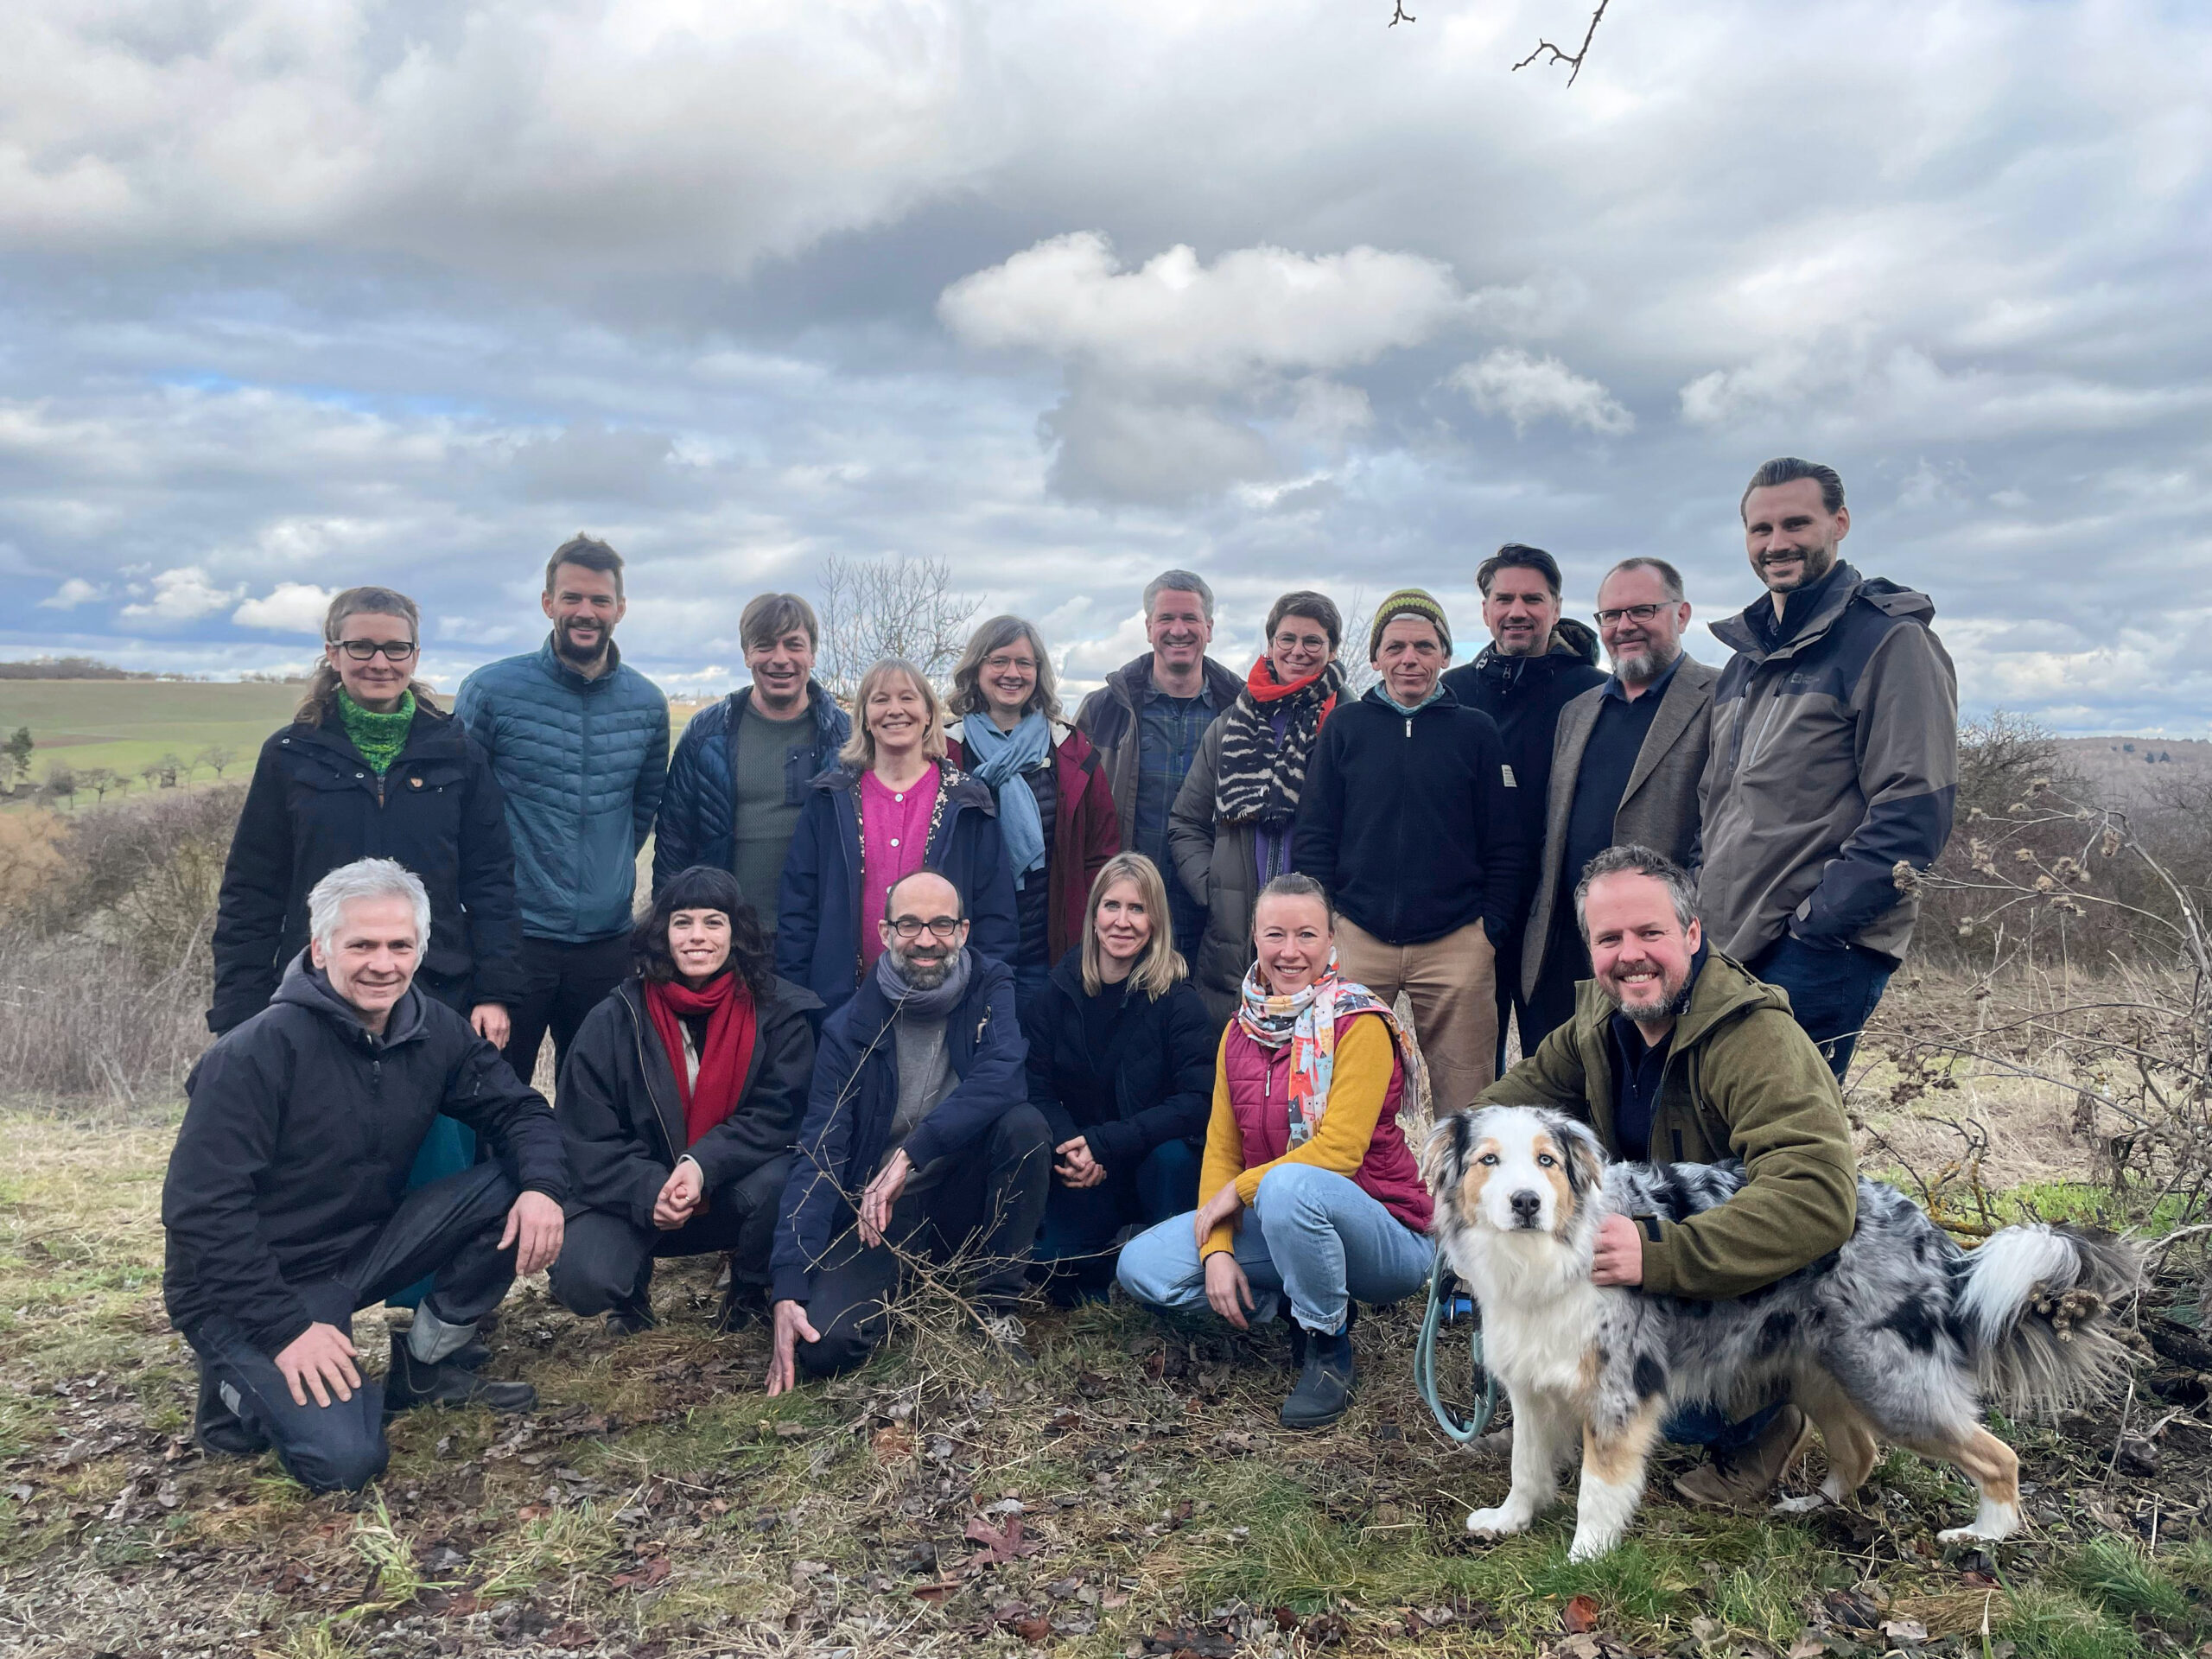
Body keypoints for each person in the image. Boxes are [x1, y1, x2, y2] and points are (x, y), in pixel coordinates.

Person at [164, 859, 567, 1493]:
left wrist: (544, 1189)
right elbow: (200, 1211)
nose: (383, 963)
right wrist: (287, 1330)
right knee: (345, 1463)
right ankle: (235, 1396)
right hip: (251, 1283)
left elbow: (520, 1110)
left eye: (399, 945)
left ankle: (428, 1363)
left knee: (515, 1182)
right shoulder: (253, 1053)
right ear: (321, 949)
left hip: (357, 1252)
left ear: (421, 949)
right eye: (362, 945)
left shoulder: (433, 1029)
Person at [1476, 843, 1858, 1507]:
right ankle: (1554, 1441)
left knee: (1663, 1410)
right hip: (1633, 1279)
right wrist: (1468, 1175)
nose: (1631, 955)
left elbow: (1819, 1196)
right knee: (1525, 1339)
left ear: (1691, 933)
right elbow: (1504, 1109)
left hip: (1733, 1297)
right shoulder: (1598, 1020)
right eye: (1609, 938)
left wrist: (1658, 1254)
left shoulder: (1756, 1039)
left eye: (1650, 933)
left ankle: (1768, 1403)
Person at [211, 587, 522, 1281]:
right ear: (332, 652)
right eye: (361, 646)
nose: (379, 661)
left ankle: (430, 1338)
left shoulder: (457, 752)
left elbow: (493, 882)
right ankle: (305, 1315)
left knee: (439, 1165)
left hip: (434, 992)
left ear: (416, 655)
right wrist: (237, 1009)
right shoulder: (291, 755)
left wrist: (497, 989)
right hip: (316, 998)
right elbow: (251, 892)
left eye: (396, 647)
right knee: (311, 1170)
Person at [1117, 874, 1433, 1430]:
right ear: (1255, 940)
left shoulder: (1359, 1022)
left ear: (1331, 940)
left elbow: (1338, 1150)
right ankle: (1296, 1304)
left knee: (1287, 1188)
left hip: (1385, 1234)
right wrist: (1216, 1249)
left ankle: (1327, 1344)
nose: (1291, 952)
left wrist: (1237, 1194)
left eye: (1307, 935)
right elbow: (1221, 1150)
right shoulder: (1239, 1034)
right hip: (1285, 1221)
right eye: (1275, 935)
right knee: (1142, 1268)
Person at [1700, 458, 1959, 1078]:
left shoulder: (1890, 641)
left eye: (1797, 523)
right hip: (1727, 945)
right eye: (1760, 530)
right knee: (1725, 1145)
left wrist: (1815, 930)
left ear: (1839, 524)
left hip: (1816, 954)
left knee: (1790, 1150)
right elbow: (1718, 803)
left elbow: (1914, 809)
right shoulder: (1746, 658)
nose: (1777, 543)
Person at [766, 871, 1049, 1389]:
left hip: (964, 1194)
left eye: (941, 925)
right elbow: (820, 1153)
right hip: (881, 1216)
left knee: (1024, 1126)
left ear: (963, 931)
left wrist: (911, 1154)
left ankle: (995, 1305)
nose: (925, 940)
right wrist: (788, 1281)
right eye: (910, 924)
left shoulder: (990, 985)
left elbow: (1004, 1075)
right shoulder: (850, 1027)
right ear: (884, 932)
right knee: (825, 1346)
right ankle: (902, 1282)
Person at [548, 866, 821, 1334]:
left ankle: (749, 1290)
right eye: (682, 923)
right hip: (638, 1198)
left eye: (713, 922)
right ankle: (629, 1298)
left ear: (737, 933)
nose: (697, 937)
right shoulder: (615, 1018)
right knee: (582, 1280)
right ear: (662, 934)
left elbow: (779, 1117)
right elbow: (585, 1133)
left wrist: (701, 1164)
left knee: (786, 1177)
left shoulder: (781, 1013)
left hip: (728, 1191)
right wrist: (648, 1188)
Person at [1290, 589, 1529, 1109]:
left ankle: (1463, 1192)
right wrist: (1326, 920)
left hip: (1456, 942)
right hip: (1357, 935)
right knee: (1343, 1096)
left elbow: (1507, 842)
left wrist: (1491, 927)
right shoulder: (1345, 728)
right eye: (1395, 647)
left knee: (1470, 1102)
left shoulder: (1476, 732)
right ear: (1376, 657)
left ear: (1445, 655)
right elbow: (1315, 833)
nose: (1409, 659)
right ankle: (1352, 1192)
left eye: (1424, 646)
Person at [455, 536, 670, 1085]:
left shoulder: (646, 704)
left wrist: (604, 877)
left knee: (599, 1102)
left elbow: (641, 809)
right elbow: (459, 808)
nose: (586, 612)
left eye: (600, 601)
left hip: (605, 944)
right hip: (513, 939)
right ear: (547, 602)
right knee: (493, 1099)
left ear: (620, 610)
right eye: (572, 597)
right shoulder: (490, 691)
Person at [1519, 558, 1718, 1052]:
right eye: (1609, 615)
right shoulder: (1578, 711)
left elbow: (1723, 827)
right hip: (1566, 946)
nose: (1623, 626)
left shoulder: (1721, 698)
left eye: (1642, 610)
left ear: (1682, 614)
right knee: (1562, 1102)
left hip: (1654, 952)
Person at [1023, 853, 1217, 1303]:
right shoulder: (1058, 991)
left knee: (1173, 1161)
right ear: (1094, 917)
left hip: (1154, 1163)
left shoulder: (1178, 1000)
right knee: (1046, 1262)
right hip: (1087, 1167)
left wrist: (1105, 1143)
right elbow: (1036, 1088)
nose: (1122, 922)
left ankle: (1164, 1255)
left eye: (1138, 908)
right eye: (1112, 906)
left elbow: (1196, 1101)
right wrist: (1075, 1149)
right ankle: (1114, 1260)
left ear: (1155, 921)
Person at [775, 659, 1018, 1018]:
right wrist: (796, 1003)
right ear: (864, 717)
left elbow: (996, 915)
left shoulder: (967, 802)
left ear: (929, 715)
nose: (895, 710)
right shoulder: (830, 799)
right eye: (880, 700)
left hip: (946, 1006)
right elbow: (798, 909)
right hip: (843, 1008)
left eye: (907, 698)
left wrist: (985, 1002)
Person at [1440, 545, 1606, 1065]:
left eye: (1533, 599)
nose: (1518, 611)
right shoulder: (1453, 692)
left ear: (1556, 608)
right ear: (1485, 610)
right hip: (1473, 911)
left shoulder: (1595, 693)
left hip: (1559, 916)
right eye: (1504, 598)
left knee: (1561, 1064)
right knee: (1471, 1070)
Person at [1169, 590, 1346, 1021]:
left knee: (1314, 1062)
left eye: (1313, 641)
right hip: (1234, 929)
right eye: (1287, 639)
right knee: (1235, 1062)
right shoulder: (1230, 724)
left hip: (1317, 924)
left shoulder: (1349, 723)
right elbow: (1186, 822)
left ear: (1332, 650)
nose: (1298, 651)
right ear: (1269, 645)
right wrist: (1213, 887)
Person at [652, 593, 851, 941]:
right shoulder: (705, 735)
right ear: (746, 654)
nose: (780, 659)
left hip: (817, 936)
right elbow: (674, 842)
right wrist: (664, 934)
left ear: (813, 654)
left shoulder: (848, 737)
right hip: (724, 937)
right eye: (764, 646)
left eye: (793, 645)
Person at [945, 615, 1119, 1011]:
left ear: (1038, 672)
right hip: (965, 951)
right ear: (977, 669)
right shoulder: (944, 752)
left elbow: (1101, 853)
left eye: (1024, 663)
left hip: (1050, 951)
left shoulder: (1071, 750)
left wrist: (1085, 934)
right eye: (999, 661)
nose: (1012, 673)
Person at [1075, 570, 1243, 966]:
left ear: (1209, 628)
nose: (1178, 630)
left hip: (1211, 915)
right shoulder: (1102, 711)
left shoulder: (1242, 714)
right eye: (1166, 619)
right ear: (1149, 627)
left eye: (1190, 619)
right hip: (1125, 915)